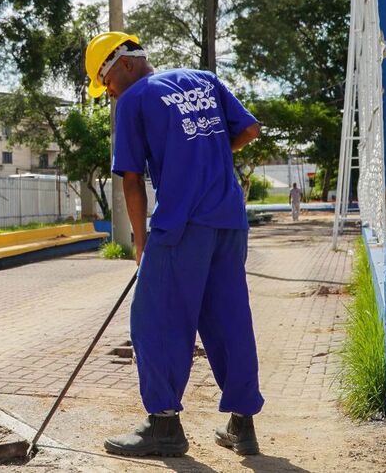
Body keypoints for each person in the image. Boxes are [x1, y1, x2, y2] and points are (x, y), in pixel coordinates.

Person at [85, 32, 264, 457]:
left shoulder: (134, 100)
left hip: (181, 225)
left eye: (105, 81)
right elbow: (249, 129)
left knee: (156, 320)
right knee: (229, 319)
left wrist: (140, 244)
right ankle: (243, 426)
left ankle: (164, 426)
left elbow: (131, 180)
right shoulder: (205, 79)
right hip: (229, 222)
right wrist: (210, 156)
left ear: (124, 63)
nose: (108, 92)